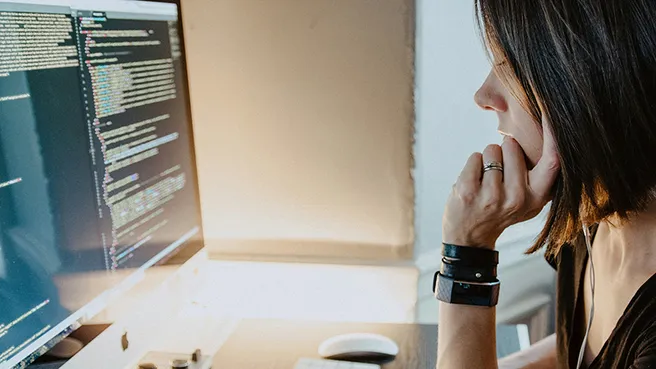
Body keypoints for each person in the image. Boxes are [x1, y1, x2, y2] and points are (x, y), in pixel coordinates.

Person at [436, 0, 656, 368]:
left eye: (509, 67)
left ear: (588, 84)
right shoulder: (592, 219)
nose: (484, 96)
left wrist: (467, 251)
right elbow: (593, 346)